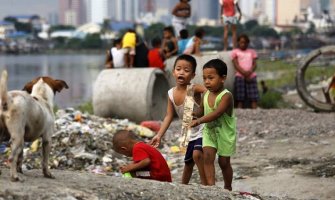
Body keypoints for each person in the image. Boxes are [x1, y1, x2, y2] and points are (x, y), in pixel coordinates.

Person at [150, 54, 207, 185]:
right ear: (174, 72)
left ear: (192, 75)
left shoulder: (194, 88)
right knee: (188, 163)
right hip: (188, 132)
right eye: (178, 69)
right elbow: (169, 116)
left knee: (197, 154)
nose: (182, 72)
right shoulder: (171, 93)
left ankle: (206, 185)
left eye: (186, 70)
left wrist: (205, 108)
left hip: (204, 128)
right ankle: (182, 187)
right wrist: (159, 135)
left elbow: (211, 92)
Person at [190, 59, 236, 190]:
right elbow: (201, 111)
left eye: (211, 78)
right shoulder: (206, 94)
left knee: (224, 162)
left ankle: (228, 187)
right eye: (204, 78)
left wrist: (199, 120)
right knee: (208, 158)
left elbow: (216, 113)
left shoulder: (226, 96)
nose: (206, 82)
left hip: (225, 134)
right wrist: (194, 114)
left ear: (223, 78)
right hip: (209, 132)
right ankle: (212, 188)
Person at [231, 34, 259, 109]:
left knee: (254, 96)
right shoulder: (235, 52)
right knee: (240, 97)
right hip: (240, 76)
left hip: (251, 76)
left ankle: (255, 111)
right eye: (241, 42)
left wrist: (249, 72)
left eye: (244, 42)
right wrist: (244, 73)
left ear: (247, 43)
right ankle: (240, 112)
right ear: (238, 43)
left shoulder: (252, 52)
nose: (243, 44)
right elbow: (235, 64)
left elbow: (255, 64)